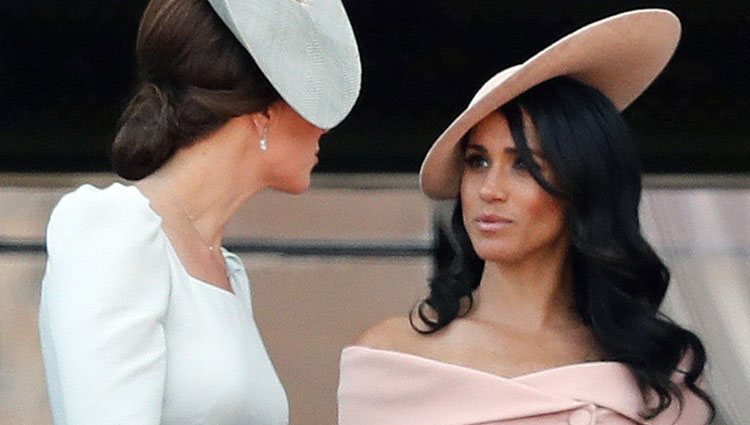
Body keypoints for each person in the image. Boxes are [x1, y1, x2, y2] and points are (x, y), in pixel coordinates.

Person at [338, 9, 714, 425]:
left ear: (581, 183)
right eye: (478, 162)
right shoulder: (393, 357)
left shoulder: (660, 369)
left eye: (523, 165)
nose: (489, 190)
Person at [38, 0, 360, 423]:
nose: (325, 128)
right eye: (309, 94)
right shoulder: (116, 227)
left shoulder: (226, 270)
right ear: (263, 111)